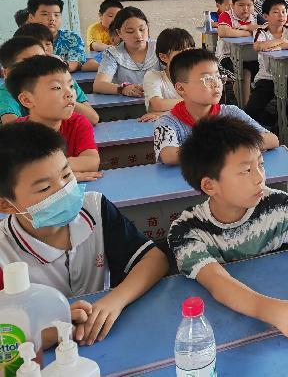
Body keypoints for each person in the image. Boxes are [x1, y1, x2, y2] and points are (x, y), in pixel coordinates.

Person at [168, 116, 288, 342]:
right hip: (229, 331)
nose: (259, 178)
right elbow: (217, 283)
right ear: (210, 185)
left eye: (260, 165)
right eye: (245, 171)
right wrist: (273, 312)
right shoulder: (187, 231)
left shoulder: (279, 206)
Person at [0, 121, 168, 345]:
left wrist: (114, 301)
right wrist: (42, 335)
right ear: (7, 205)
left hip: (107, 337)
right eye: (44, 188)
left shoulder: (94, 208)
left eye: (66, 175)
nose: (64, 190)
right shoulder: (4, 253)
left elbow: (154, 259)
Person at [153, 48, 278, 165]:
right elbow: (168, 155)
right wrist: (226, 146)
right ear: (181, 88)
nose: (216, 84)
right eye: (207, 79)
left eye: (218, 77)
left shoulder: (231, 113)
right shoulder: (168, 121)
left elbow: (272, 139)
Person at [6, 55, 102, 182]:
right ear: (27, 100)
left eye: (71, 86)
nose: (69, 94)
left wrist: (43, 171)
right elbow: (13, 173)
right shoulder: (15, 134)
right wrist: (64, 176)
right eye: (56, 88)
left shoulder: (78, 123)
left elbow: (91, 162)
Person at [0, 36, 98, 126]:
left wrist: (63, 98)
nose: (38, 68)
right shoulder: (7, 92)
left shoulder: (65, 82)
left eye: (42, 60)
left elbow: (93, 118)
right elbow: (12, 126)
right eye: (27, 63)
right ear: (7, 72)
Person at [246, 0, 288, 131]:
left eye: (284, 11)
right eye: (276, 12)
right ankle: (273, 119)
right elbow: (258, 46)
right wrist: (281, 40)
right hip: (268, 77)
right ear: (266, 16)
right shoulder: (262, 31)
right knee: (251, 110)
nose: (281, 15)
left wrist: (283, 46)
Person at [93, 7, 160, 97]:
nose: (138, 35)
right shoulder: (113, 53)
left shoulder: (160, 47)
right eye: (130, 31)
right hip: (126, 104)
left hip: (158, 101)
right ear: (119, 33)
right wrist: (122, 89)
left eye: (142, 29)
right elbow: (99, 85)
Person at [216, 0, 259, 105]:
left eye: (249, 5)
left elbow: (269, 28)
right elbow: (224, 32)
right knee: (243, 74)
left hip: (252, 57)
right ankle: (245, 108)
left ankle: (255, 105)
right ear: (233, 5)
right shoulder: (226, 15)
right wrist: (250, 32)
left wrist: (247, 28)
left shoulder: (255, 16)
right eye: (241, 5)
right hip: (227, 58)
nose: (245, 9)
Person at [26, 0, 86, 72]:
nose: (52, 19)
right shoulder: (23, 38)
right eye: (45, 14)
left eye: (56, 15)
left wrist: (57, 68)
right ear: (31, 17)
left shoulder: (71, 38)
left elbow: (75, 62)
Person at [143, 27, 195, 114]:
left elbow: (204, 106)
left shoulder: (197, 77)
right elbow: (158, 105)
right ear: (163, 57)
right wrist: (194, 102)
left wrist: (163, 114)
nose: (188, 56)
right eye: (181, 51)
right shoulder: (153, 76)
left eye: (191, 50)